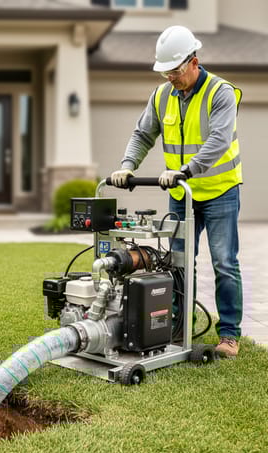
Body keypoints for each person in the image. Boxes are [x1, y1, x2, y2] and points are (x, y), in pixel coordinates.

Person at [110, 25, 243, 358]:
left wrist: (186, 171)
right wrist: (128, 165)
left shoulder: (220, 92)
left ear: (193, 61)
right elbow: (143, 135)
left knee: (224, 263)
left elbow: (219, 141)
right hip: (181, 194)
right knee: (180, 263)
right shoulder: (161, 95)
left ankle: (229, 335)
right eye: (165, 71)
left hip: (219, 191)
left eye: (175, 70)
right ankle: (176, 327)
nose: (170, 77)